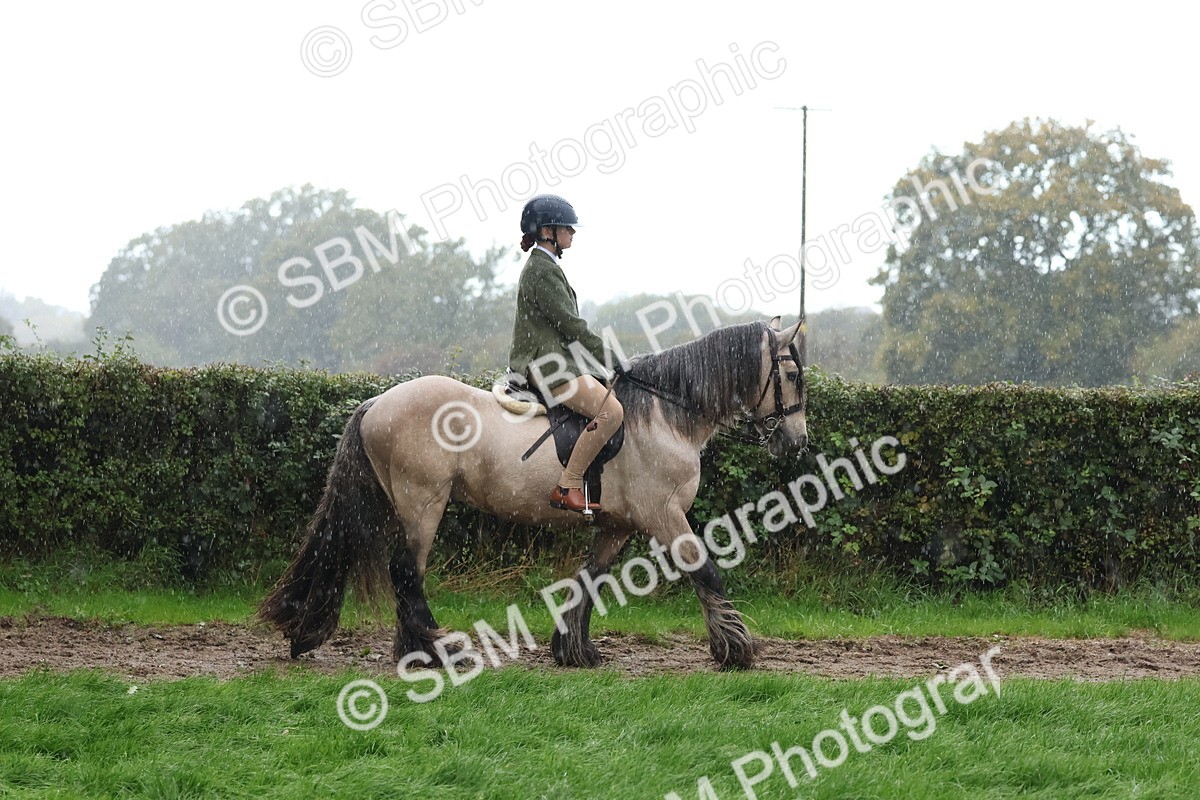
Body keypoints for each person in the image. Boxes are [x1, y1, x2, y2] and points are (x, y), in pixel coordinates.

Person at [508, 194, 624, 513]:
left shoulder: (546, 266)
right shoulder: (542, 270)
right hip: (546, 365)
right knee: (611, 412)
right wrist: (612, 358)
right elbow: (571, 326)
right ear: (548, 231)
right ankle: (567, 484)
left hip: (556, 360)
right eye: (567, 228)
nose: (572, 233)